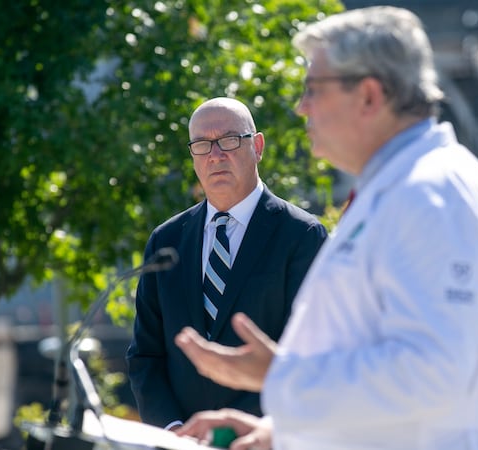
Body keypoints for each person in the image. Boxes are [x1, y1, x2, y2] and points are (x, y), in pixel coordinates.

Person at [174, 6, 478, 450]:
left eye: (313, 89)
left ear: (370, 96)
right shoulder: (401, 189)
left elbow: (433, 374)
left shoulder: (430, 195)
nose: (301, 107)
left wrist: (280, 376)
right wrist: (281, 433)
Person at [126, 97, 328, 430]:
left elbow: (311, 355)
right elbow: (146, 355)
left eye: (230, 140)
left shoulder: (303, 236)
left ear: (258, 146)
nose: (216, 155)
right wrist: (173, 430)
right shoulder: (166, 241)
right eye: (202, 145)